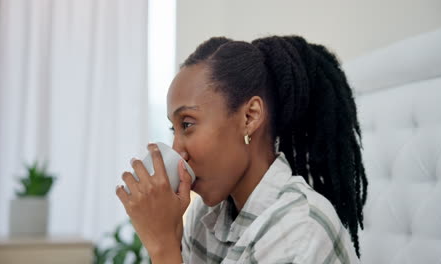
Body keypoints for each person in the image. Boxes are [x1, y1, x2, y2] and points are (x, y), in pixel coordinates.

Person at [116, 35, 368, 263]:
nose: (178, 151)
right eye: (174, 129)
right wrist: (169, 237)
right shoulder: (205, 216)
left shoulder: (299, 230)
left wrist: (162, 247)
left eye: (188, 124)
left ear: (249, 117)